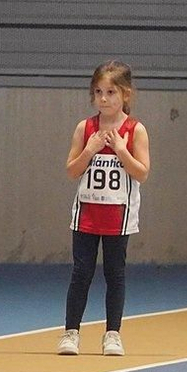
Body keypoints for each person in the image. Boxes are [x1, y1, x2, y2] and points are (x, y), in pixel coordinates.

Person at [58, 61, 151, 356]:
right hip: (86, 214)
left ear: (125, 94)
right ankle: (71, 332)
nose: (103, 98)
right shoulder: (85, 128)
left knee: (115, 272)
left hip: (118, 216)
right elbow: (72, 170)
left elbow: (142, 173)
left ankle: (112, 333)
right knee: (81, 272)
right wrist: (90, 149)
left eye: (111, 92)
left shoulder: (135, 130)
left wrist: (121, 151)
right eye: (98, 92)